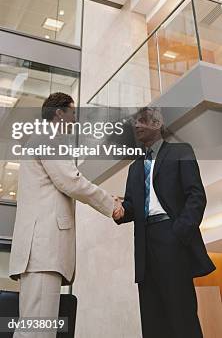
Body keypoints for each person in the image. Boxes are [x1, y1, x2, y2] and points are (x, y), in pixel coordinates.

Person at [9, 92, 123, 338]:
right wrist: (109, 203)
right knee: (38, 331)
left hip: (38, 253)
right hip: (43, 250)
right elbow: (71, 181)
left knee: (32, 327)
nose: (75, 119)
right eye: (72, 113)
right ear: (59, 114)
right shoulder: (49, 139)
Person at [113, 106, 215, 338]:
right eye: (134, 122)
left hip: (172, 237)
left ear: (157, 124)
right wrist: (119, 210)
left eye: (141, 121)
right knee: (152, 320)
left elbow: (196, 195)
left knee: (181, 316)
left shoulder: (180, 150)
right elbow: (131, 206)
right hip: (144, 247)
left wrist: (179, 233)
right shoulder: (134, 168)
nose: (136, 125)